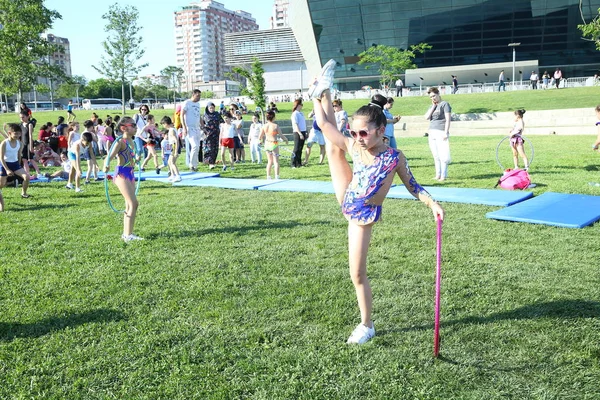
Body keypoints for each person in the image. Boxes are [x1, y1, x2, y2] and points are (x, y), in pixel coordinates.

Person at [309, 59, 444, 344]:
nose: (357, 138)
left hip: (363, 213)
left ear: (381, 130)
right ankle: (323, 90)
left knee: (356, 273)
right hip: (347, 196)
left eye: (363, 133)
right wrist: (316, 99)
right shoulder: (354, 146)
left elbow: (413, 185)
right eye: (354, 132)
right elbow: (323, 123)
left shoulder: (393, 157)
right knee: (335, 149)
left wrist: (432, 204)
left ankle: (366, 325)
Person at [103, 117, 143, 242]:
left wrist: (136, 159)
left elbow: (131, 156)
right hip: (121, 174)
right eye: (134, 125)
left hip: (130, 173)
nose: (136, 128)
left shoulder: (133, 141)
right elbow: (109, 156)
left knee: (129, 205)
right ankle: (128, 235)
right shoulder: (120, 142)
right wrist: (106, 165)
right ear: (124, 128)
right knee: (133, 204)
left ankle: (127, 234)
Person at [0, 123, 31, 209]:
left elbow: (19, 156)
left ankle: (23, 193)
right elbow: (1, 158)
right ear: (9, 133)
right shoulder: (4, 143)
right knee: (1, 184)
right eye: (16, 133)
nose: (18, 135)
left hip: (15, 164)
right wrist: (7, 169)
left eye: (19, 133)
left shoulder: (19, 143)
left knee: (27, 177)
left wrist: (19, 166)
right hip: (4, 164)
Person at [425, 87, 452, 181]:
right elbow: (426, 117)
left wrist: (446, 132)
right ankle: (438, 174)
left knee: (442, 155)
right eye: (431, 97)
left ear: (438, 94)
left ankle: (443, 175)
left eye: (434, 96)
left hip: (441, 131)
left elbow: (448, 119)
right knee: (435, 155)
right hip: (432, 132)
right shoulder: (432, 106)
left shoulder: (444, 104)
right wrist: (433, 106)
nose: (433, 98)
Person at [259, 110, 288, 179]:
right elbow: (281, 135)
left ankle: (268, 176)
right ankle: (277, 176)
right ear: (273, 117)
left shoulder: (264, 126)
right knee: (276, 161)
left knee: (269, 161)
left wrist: (260, 141)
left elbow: (260, 136)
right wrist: (286, 139)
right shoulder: (275, 126)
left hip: (267, 143)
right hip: (274, 142)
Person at [181, 89, 204, 171]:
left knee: (197, 146)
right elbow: (182, 115)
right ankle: (191, 164)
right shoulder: (187, 103)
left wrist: (202, 125)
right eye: (197, 96)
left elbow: (199, 115)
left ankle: (195, 165)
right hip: (189, 128)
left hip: (197, 128)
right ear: (193, 94)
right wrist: (184, 127)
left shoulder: (198, 104)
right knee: (194, 145)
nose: (199, 97)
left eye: (200, 96)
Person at [160, 116, 181, 183]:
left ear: (166, 123)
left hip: (174, 147)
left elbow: (176, 140)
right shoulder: (172, 129)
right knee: (169, 162)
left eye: (163, 124)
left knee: (172, 162)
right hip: (173, 147)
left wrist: (176, 151)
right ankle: (172, 175)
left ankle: (178, 176)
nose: (163, 126)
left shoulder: (171, 130)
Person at [20, 111, 40, 179]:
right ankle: (27, 174)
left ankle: (38, 172)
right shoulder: (21, 125)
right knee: (24, 160)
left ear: (28, 117)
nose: (21, 119)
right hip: (23, 144)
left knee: (30, 159)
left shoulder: (30, 125)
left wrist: (31, 146)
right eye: (20, 117)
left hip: (28, 143)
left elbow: (30, 136)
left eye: (23, 117)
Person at [202, 102, 222, 169]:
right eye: (210, 108)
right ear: (207, 108)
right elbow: (201, 124)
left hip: (216, 134)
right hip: (208, 134)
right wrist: (205, 131)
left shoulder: (217, 114)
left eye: (213, 108)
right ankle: (208, 161)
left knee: (215, 148)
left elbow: (222, 122)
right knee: (209, 148)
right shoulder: (205, 115)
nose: (212, 109)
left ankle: (212, 162)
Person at [290, 99, 307, 168]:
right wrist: (300, 133)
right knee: (296, 148)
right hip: (297, 132)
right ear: (298, 105)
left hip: (303, 131)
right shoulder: (295, 114)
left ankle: (299, 163)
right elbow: (295, 125)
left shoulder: (301, 113)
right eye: (301, 105)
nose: (302, 106)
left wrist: (305, 132)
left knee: (300, 148)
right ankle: (293, 163)